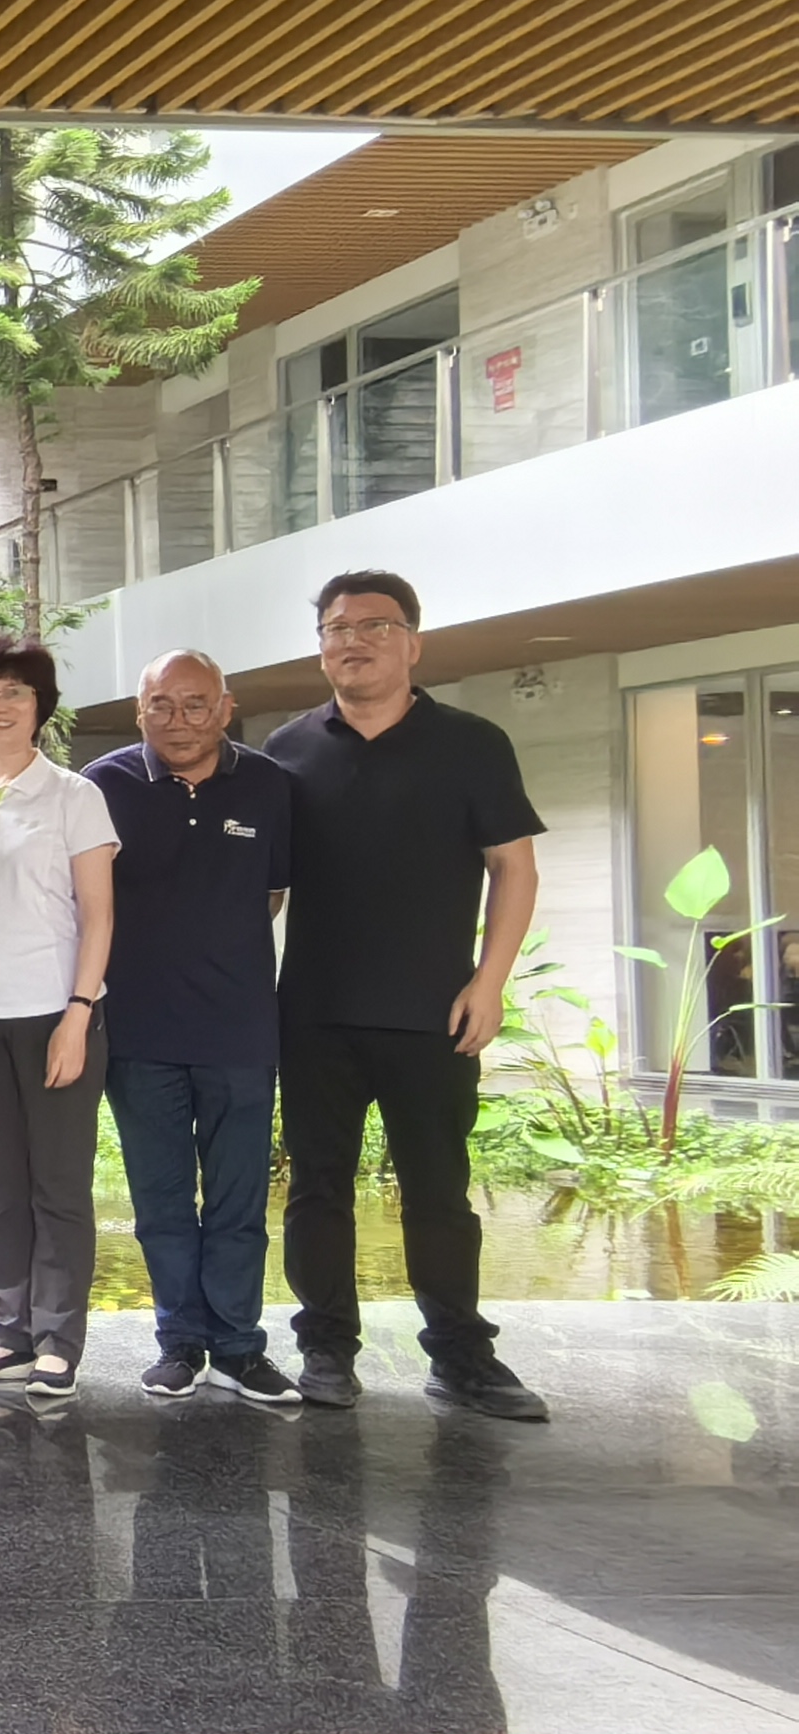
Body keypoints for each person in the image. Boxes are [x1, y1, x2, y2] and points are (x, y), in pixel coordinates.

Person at [270, 570, 549, 1421]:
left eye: (375, 626)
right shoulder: (286, 750)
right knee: (317, 1188)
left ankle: (461, 1355)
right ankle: (325, 1348)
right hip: (314, 1015)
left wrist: (490, 983)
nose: (353, 640)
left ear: (413, 643)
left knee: (438, 1191)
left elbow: (514, 868)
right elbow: (264, 890)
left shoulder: (472, 743)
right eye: (336, 627)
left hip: (435, 1012)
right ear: (321, 646)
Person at [85, 650, 300, 1409]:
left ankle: (239, 1348)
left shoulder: (268, 784)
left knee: (239, 1203)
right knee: (163, 1202)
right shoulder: (102, 786)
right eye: (161, 705)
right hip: (138, 1031)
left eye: (196, 704)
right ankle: (180, 1343)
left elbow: (271, 893)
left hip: (240, 1029)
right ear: (139, 710)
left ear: (226, 707)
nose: (179, 720)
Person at [0, 635, 122, 1404]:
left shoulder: (75, 795)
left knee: (58, 1186)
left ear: (40, 706)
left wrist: (79, 1013)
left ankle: (57, 1341)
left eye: (15, 690)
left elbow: (99, 915)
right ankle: (4, 1330)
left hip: (55, 1015)